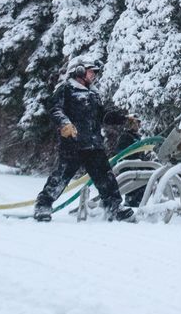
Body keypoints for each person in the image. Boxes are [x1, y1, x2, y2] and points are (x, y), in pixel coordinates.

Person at [33, 59, 139, 222]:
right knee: (61, 176)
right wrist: (65, 123)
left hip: (94, 144)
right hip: (72, 144)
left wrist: (124, 119)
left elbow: (103, 115)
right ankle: (43, 205)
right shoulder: (66, 90)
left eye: (95, 73)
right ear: (80, 71)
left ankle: (115, 207)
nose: (94, 75)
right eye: (91, 72)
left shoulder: (93, 94)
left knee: (106, 177)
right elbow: (55, 109)